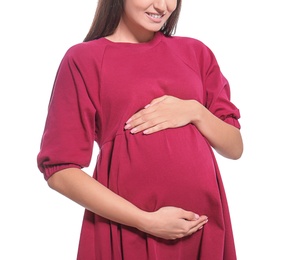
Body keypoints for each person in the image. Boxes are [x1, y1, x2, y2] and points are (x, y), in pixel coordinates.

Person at [37, 0, 243, 259]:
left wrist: (195, 111)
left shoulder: (195, 52)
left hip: (202, 224)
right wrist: (145, 221)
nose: (162, 5)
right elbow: (60, 170)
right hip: (128, 228)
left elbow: (234, 147)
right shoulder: (84, 58)